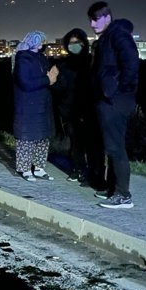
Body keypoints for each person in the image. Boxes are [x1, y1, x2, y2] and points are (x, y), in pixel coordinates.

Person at [87, 1, 139, 209]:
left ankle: (123, 195)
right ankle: (112, 188)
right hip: (109, 99)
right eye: (90, 19)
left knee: (116, 147)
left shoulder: (119, 35)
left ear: (107, 17)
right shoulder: (107, 37)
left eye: (96, 18)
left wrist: (116, 89)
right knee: (110, 144)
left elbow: (131, 64)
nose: (92, 24)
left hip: (116, 100)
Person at [53, 28, 105, 186]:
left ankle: (96, 176)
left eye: (78, 42)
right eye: (71, 43)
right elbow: (60, 89)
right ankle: (78, 170)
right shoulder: (63, 64)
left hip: (90, 109)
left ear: (84, 43)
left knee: (93, 145)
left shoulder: (92, 61)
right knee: (76, 144)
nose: (75, 45)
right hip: (71, 110)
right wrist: (53, 80)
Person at [12, 30, 59, 181]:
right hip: (28, 106)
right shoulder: (22, 58)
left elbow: (49, 77)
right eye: (39, 41)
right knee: (27, 138)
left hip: (43, 105)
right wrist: (47, 80)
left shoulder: (42, 57)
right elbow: (25, 83)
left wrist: (52, 77)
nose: (41, 44)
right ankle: (25, 169)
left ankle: (39, 168)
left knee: (43, 138)